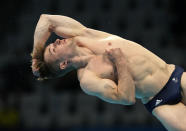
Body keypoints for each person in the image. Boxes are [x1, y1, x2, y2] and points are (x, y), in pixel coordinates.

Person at [31, 14, 186, 131]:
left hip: (174, 75)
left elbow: (46, 20)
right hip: (160, 101)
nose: (56, 41)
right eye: (53, 49)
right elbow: (126, 98)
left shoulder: (85, 35)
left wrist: (35, 57)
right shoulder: (88, 79)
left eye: (52, 43)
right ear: (64, 64)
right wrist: (120, 62)